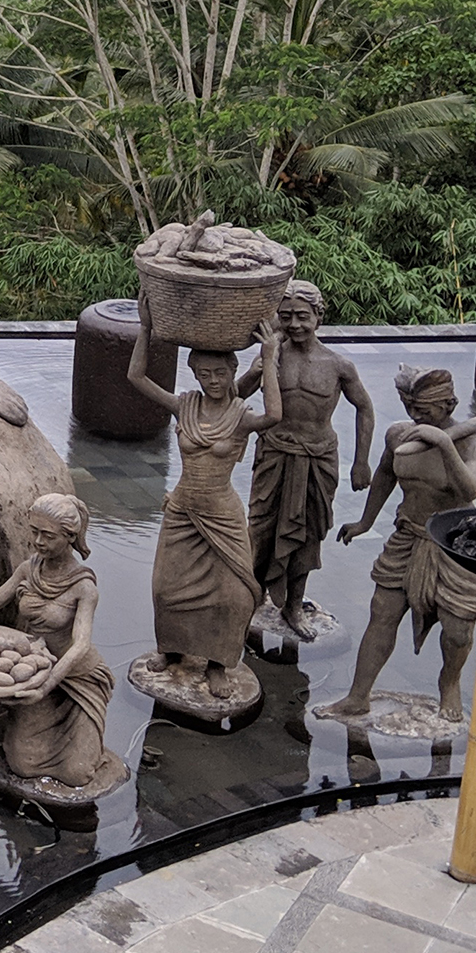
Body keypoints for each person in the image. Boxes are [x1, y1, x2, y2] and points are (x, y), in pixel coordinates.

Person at [123, 297, 276, 708]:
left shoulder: (241, 414)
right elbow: (136, 376)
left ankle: (218, 662)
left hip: (222, 514)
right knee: (166, 588)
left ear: (233, 373)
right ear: (194, 374)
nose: (213, 381)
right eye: (204, 374)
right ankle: (171, 649)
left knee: (234, 595)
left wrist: (270, 357)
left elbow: (274, 416)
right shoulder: (184, 405)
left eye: (220, 373)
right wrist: (145, 328)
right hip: (182, 509)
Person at [331, 367, 476, 721]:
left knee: (458, 630)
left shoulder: (474, 445)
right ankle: (358, 695)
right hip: (409, 534)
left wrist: (445, 444)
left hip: (457, 544)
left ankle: (450, 683)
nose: (415, 416)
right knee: (382, 612)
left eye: (424, 409)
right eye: (410, 407)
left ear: (449, 404)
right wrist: (365, 522)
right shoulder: (399, 436)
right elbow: (385, 474)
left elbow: (469, 489)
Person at [237, 280, 374, 636]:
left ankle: (293, 606)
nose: (295, 324)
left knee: (308, 533)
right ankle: (252, 598)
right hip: (274, 454)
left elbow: (365, 408)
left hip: (318, 458)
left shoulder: (338, 365)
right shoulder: (271, 356)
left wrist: (361, 462)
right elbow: (235, 395)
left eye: (302, 316)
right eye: (286, 317)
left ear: (318, 317)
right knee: (261, 528)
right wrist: (259, 366)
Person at [0, 492, 117, 794]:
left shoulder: (84, 587)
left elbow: (80, 645)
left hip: (76, 678)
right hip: (34, 670)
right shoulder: (28, 569)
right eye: (34, 531)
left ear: (69, 537)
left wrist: (46, 686)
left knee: (77, 774)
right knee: (22, 764)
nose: (38, 541)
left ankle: (89, 742)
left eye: (47, 535)